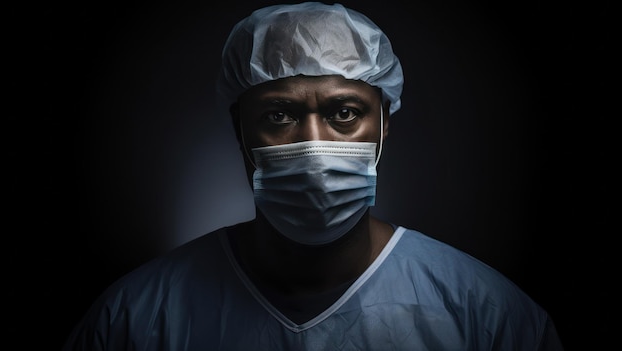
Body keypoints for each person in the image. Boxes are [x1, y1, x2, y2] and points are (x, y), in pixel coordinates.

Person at [62, 2, 564, 350]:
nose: (314, 144)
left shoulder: (485, 315)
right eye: (279, 116)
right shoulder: (136, 318)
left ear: (384, 127)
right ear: (241, 135)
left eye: (344, 113)